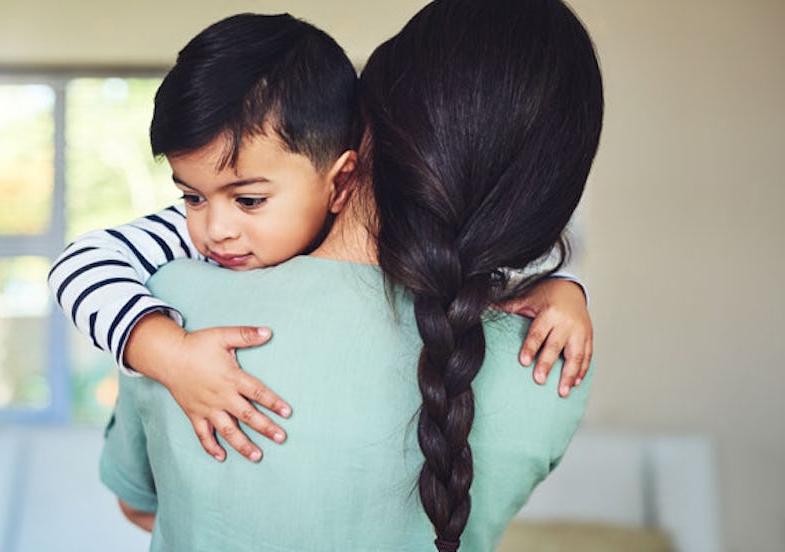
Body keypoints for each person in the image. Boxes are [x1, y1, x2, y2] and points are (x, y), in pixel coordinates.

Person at [100, 0, 604, 550]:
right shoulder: (552, 365)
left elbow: (139, 505)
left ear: (361, 126)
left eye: (247, 197)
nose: (217, 227)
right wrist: (560, 288)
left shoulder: (174, 315)